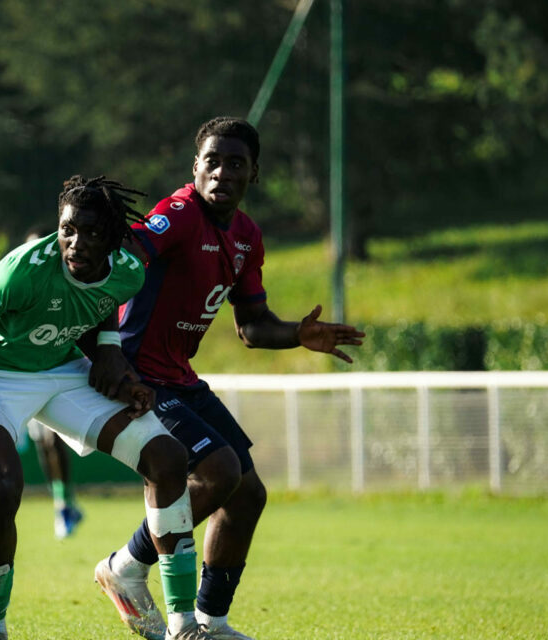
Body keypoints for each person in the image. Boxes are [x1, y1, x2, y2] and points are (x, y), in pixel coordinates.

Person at [91, 117, 365, 640]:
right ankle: (125, 566)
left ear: (253, 174)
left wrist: (297, 335)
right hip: (139, 374)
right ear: (195, 168)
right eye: (211, 161)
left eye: (235, 163)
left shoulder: (246, 237)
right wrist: (104, 350)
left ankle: (211, 621)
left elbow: (252, 327)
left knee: (248, 493)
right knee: (217, 472)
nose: (221, 171)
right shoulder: (177, 215)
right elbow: (122, 263)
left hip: (180, 378)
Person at [0, 175, 221, 640]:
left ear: (113, 237)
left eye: (90, 233)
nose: (75, 242)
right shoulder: (23, 269)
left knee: (168, 458)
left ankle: (184, 625)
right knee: (4, 487)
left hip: (61, 372)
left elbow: (100, 301)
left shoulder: (129, 271)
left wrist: (110, 354)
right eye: (67, 229)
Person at [21, 226, 87, 540]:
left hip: (60, 376)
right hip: (25, 377)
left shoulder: (66, 285)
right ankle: (63, 501)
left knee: (52, 441)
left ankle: (63, 505)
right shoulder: (19, 284)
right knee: (42, 447)